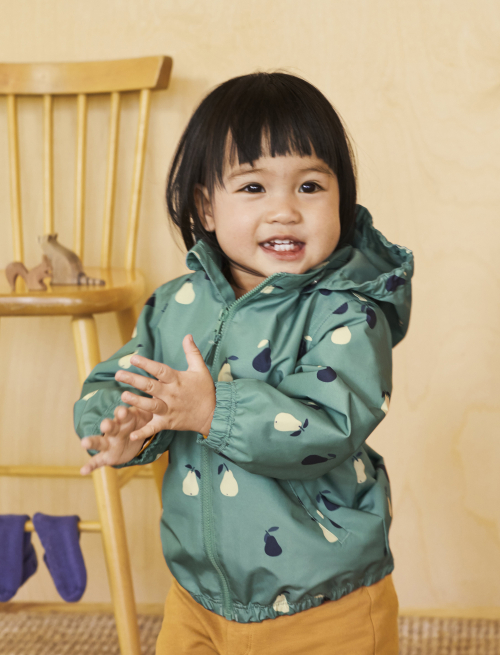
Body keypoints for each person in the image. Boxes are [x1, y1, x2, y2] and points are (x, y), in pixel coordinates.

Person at [74, 72, 413, 655]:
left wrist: (214, 411)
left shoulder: (348, 312)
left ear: (342, 200)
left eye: (310, 186)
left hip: (323, 603)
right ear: (206, 207)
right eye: (254, 187)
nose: (284, 210)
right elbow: (119, 379)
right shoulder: (177, 304)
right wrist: (123, 425)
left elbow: (331, 424)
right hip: (198, 597)